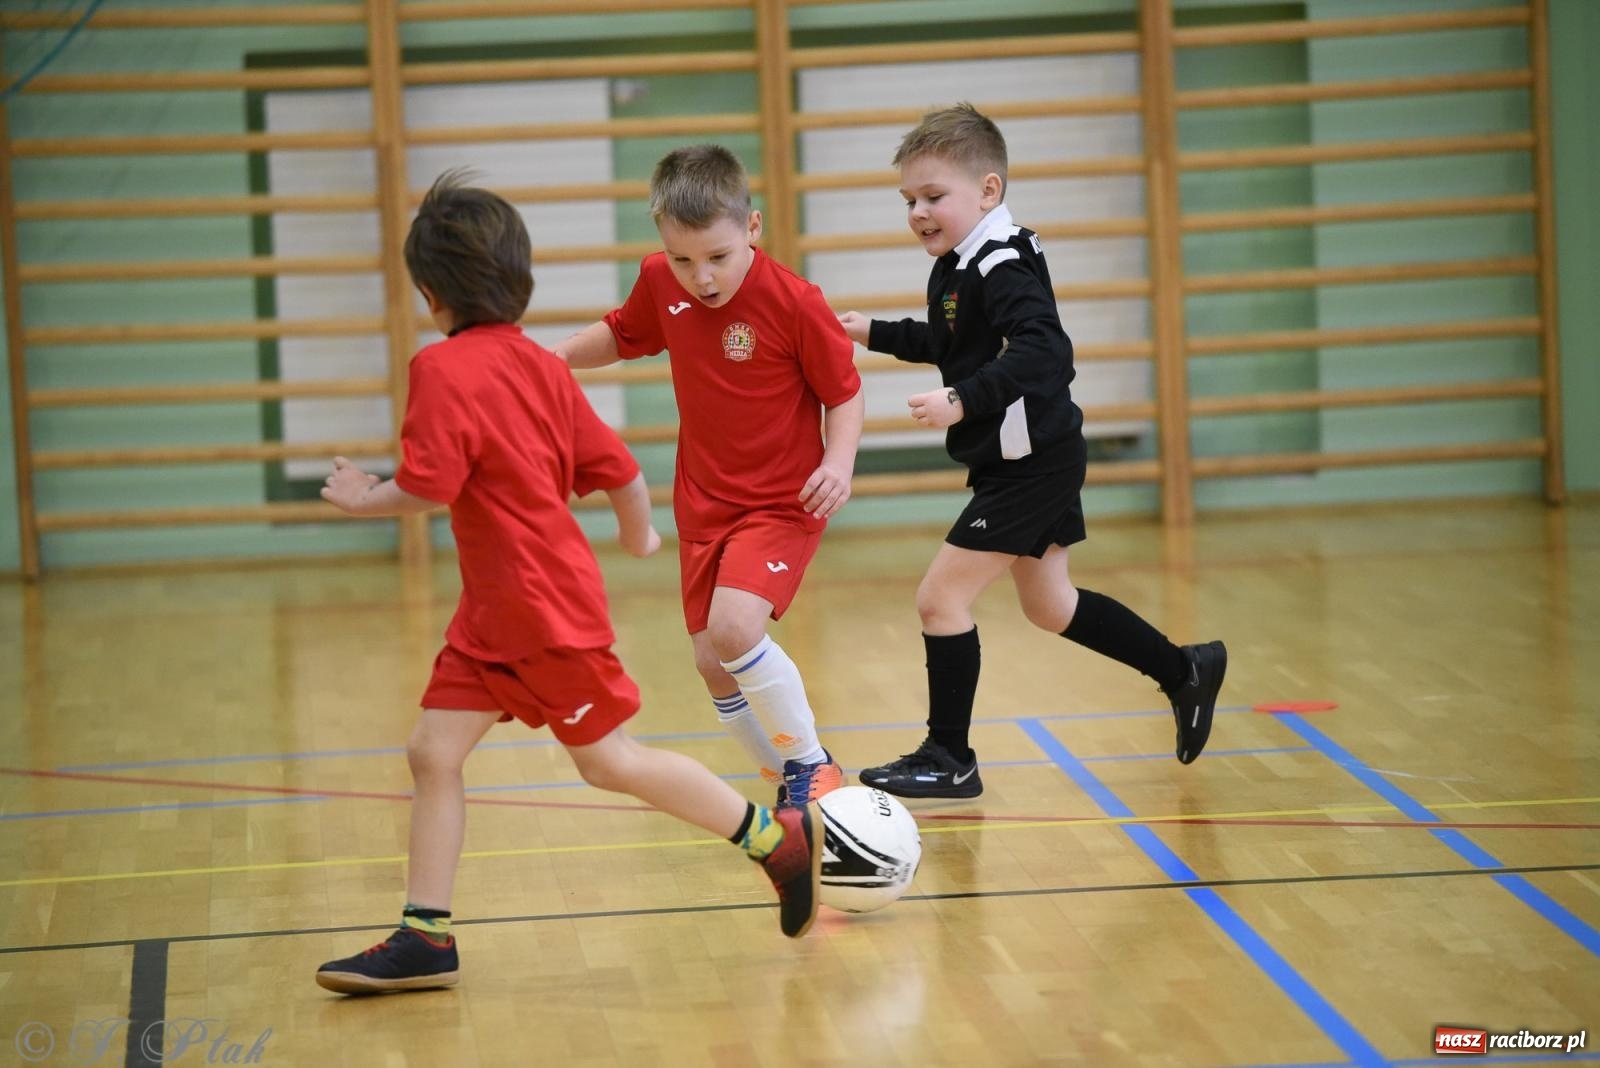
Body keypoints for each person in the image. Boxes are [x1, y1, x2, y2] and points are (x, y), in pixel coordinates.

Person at [314, 172, 823, 996]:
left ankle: (774, 838)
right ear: (520, 280)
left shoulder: (440, 370)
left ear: (429, 293)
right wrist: (639, 534)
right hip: (496, 614)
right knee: (432, 751)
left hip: (540, 612)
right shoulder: (543, 367)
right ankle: (425, 936)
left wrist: (363, 496)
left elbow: (431, 485)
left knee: (608, 764)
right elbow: (620, 471)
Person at [834, 104, 1227, 799]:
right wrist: (877, 333)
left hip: (1031, 463)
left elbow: (1045, 350)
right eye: (909, 201)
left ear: (988, 190)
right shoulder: (964, 261)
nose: (919, 213)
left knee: (939, 599)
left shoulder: (1002, 260)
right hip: (1025, 457)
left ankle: (949, 756)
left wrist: (961, 400)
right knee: (1050, 605)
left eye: (933, 197)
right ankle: (1183, 669)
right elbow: (956, 341)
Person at [556, 145, 865, 809]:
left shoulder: (795, 303)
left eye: (718, 257)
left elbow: (844, 392)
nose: (701, 277)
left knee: (733, 630)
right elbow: (620, 333)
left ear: (752, 228)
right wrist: (553, 361)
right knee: (710, 661)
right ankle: (790, 782)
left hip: (784, 502)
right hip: (704, 504)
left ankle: (814, 766)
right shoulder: (660, 282)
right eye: (682, 259)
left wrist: (837, 462)